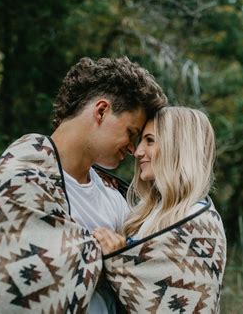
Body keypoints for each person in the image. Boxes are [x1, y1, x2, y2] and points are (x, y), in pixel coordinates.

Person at [0, 57, 167, 313]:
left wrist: (120, 261)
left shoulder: (116, 200)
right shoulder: (17, 179)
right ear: (101, 111)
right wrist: (106, 256)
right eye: (131, 134)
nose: (134, 149)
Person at [93, 107, 227, 313]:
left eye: (150, 140)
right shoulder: (145, 213)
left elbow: (187, 306)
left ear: (178, 147)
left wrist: (116, 261)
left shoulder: (200, 221)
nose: (137, 152)